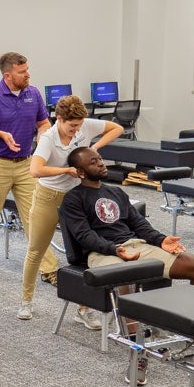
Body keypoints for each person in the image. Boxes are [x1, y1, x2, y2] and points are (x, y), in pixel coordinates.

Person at [61, 146, 194, 386]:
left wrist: (161, 240)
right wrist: (115, 250)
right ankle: (138, 351)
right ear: (80, 172)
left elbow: (139, 225)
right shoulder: (73, 198)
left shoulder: (117, 193)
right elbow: (84, 236)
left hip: (136, 245)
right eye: (93, 162)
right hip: (101, 252)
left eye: (100, 159)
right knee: (125, 278)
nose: (100, 164)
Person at [21, 95, 124, 324]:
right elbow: (35, 170)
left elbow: (117, 128)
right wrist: (65, 171)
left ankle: (83, 310)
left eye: (78, 126)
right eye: (71, 126)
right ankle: (26, 302)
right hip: (49, 195)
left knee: (85, 251)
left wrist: (94, 148)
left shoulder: (85, 126)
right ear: (59, 119)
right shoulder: (49, 138)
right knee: (36, 249)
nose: (75, 130)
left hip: (78, 196)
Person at [0, 52, 55, 283]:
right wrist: (0, 134)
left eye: (27, 70)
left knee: (36, 217)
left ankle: (48, 268)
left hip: (26, 164)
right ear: (8, 75)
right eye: (22, 72)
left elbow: (44, 122)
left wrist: (42, 136)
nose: (28, 74)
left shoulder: (33, 93)